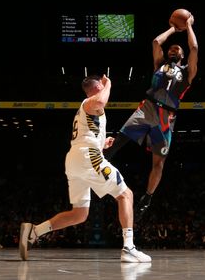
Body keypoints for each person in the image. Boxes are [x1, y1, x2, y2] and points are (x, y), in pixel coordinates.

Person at [19, 75, 151, 263]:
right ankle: (129, 247)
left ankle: (35, 231)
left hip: (75, 159)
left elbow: (87, 134)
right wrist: (110, 83)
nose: (104, 87)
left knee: (79, 213)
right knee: (126, 194)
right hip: (87, 157)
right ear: (97, 86)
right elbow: (101, 99)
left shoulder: (89, 109)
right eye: (102, 85)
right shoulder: (91, 102)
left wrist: (102, 143)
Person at [105, 15, 198, 218]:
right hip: (147, 107)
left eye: (177, 49)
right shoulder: (159, 65)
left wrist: (188, 26)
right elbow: (156, 42)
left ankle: (147, 198)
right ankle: (99, 166)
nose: (173, 50)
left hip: (167, 118)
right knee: (120, 139)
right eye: (171, 48)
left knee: (159, 163)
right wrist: (174, 28)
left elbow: (195, 49)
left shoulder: (187, 72)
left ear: (182, 55)